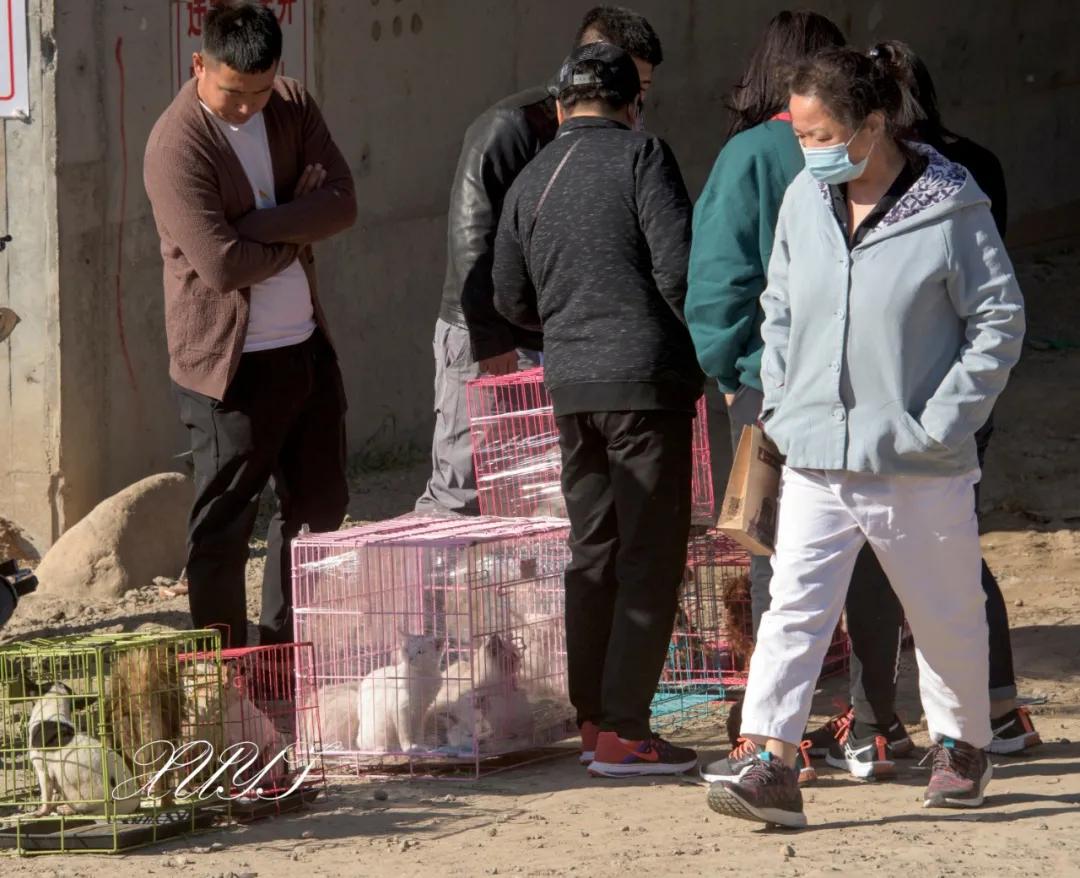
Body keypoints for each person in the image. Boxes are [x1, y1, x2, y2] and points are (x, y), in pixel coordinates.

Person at [706, 47, 1025, 827]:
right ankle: (768, 761)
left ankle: (960, 746)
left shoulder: (954, 208)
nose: (806, 148)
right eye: (801, 133)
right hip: (815, 450)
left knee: (944, 607)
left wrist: (939, 423)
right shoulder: (802, 203)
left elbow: (999, 322)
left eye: (819, 134)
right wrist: (779, 399)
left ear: (873, 125)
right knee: (794, 608)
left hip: (915, 461)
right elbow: (778, 305)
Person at [813, 40, 1040, 780]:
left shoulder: (948, 183)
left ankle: (910, 726)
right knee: (944, 571)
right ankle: (981, 717)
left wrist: (941, 417)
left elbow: (987, 305)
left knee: (918, 575)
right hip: (914, 414)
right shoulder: (827, 188)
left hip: (922, 416)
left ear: (871, 116)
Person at [493, 42, 702, 776]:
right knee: (651, 552)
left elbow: (510, 299)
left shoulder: (530, 178)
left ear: (558, 107)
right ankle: (625, 730)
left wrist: (569, 331)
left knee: (595, 550)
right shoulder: (645, 158)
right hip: (646, 385)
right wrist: (708, 351)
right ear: (631, 104)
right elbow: (679, 270)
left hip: (571, 387)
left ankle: (593, 723)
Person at [144, 1, 356, 649]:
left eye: (259, 92)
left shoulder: (290, 102)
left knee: (317, 512)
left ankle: (282, 655)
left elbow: (342, 202)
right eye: (233, 93)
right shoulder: (176, 143)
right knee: (224, 529)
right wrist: (298, 221)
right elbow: (222, 265)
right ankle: (226, 672)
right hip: (228, 370)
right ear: (199, 64)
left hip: (305, 352)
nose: (246, 108)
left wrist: (266, 224)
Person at [415, 6, 664, 516]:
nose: (637, 101)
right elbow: (472, 240)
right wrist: (492, 338)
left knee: (538, 494)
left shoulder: (628, 135)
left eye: (644, 88)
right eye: (630, 82)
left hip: (555, 337)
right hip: (487, 334)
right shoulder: (509, 126)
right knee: (461, 488)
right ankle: (430, 592)